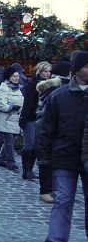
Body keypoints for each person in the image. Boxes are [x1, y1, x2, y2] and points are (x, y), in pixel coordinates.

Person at [35, 51, 88, 242]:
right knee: (62, 201)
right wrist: (44, 159)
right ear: (78, 69)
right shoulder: (60, 95)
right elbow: (46, 129)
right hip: (64, 157)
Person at [35, 61, 71, 203]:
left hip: (50, 125)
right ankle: (45, 190)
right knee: (46, 159)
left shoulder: (53, 86)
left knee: (51, 160)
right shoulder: (58, 88)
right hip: (47, 125)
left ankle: (50, 189)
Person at [19, 61, 52, 180]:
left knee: (36, 145)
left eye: (49, 71)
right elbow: (27, 103)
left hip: (41, 118)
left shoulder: (49, 85)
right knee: (29, 143)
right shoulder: (33, 84)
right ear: (39, 71)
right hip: (30, 117)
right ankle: (26, 170)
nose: (48, 73)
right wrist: (23, 119)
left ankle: (30, 169)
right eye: (45, 71)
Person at [0, 68, 24, 171]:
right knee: (9, 142)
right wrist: (11, 107)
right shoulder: (4, 88)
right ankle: (11, 162)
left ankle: (1, 160)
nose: (17, 78)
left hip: (15, 118)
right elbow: (0, 104)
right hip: (6, 118)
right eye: (14, 76)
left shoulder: (17, 88)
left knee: (10, 140)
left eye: (17, 76)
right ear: (9, 77)